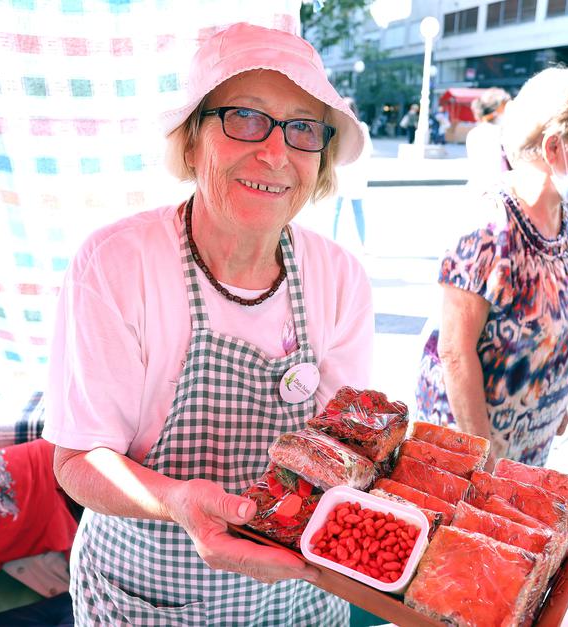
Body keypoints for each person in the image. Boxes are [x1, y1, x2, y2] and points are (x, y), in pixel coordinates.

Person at [42, 22, 374, 625]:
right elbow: (78, 461)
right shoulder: (119, 263)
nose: (274, 152)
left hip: (298, 599)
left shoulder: (340, 278)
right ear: (191, 142)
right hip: (148, 598)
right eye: (245, 117)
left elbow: (342, 453)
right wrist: (174, 500)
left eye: (302, 128)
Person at [415, 65, 568, 469]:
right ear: (554, 148)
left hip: (530, 444)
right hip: (472, 450)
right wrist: (484, 460)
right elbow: (455, 353)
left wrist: (554, 402)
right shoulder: (488, 226)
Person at [332, 97, 373, 247]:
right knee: (342, 210)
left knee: (347, 209)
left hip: (351, 173)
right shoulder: (353, 127)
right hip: (347, 173)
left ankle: (361, 243)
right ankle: (335, 241)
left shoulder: (356, 127)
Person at [465, 87, 511, 191]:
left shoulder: (474, 133)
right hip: (498, 193)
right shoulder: (503, 133)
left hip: (477, 189)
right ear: (499, 109)